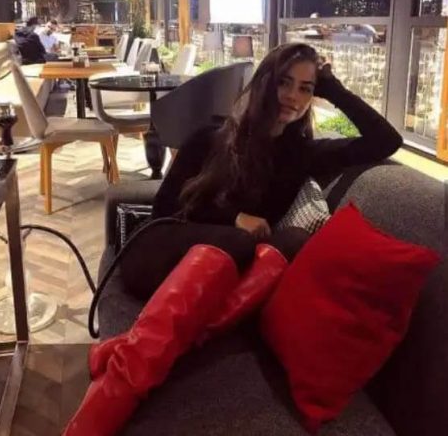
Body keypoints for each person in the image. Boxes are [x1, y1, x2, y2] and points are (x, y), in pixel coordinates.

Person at [63, 43, 403, 436]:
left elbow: (385, 140)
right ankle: (101, 411)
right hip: (157, 254)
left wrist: (332, 87)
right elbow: (164, 211)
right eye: (284, 83)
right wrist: (233, 219)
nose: (293, 96)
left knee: (291, 240)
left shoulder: (302, 155)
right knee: (240, 243)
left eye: (305, 88)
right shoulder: (211, 137)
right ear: (264, 83)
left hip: (213, 283)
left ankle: (127, 352)